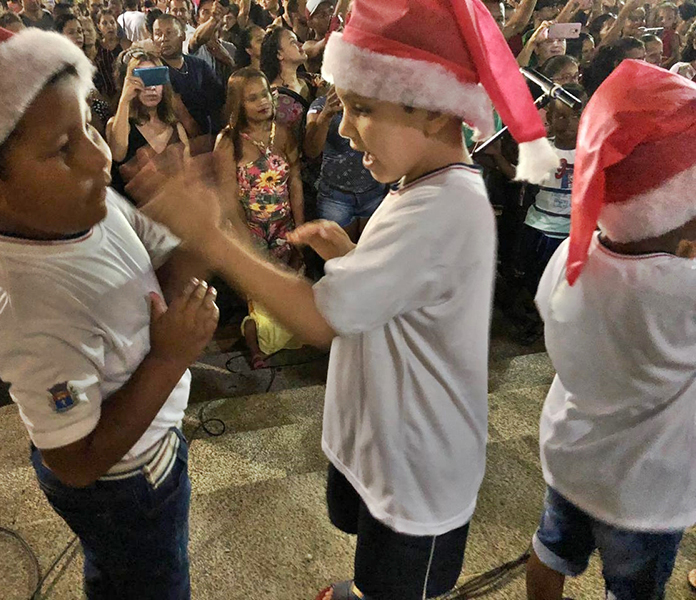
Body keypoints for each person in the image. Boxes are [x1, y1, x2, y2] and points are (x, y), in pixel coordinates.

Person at [135, 0, 557, 597]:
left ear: (435, 110)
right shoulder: (419, 180)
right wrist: (352, 260)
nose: (344, 128)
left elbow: (322, 318)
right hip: (387, 443)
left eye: (362, 109)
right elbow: (413, 299)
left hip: (418, 475)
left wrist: (214, 238)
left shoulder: (444, 206)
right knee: (374, 572)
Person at [0, 1, 219, 598]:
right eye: (62, 147)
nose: (100, 159)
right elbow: (75, 462)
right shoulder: (26, 306)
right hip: (125, 482)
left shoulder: (84, 202)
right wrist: (171, 357)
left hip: (154, 440)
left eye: (89, 131)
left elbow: (164, 265)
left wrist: (200, 232)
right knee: (146, 581)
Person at [525, 60, 696, 600]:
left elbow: (548, 312)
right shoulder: (684, 291)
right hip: (644, 489)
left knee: (550, 549)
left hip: (572, 457)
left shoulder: (571, 260)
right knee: (632, 589)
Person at [214, 68, 305, 367]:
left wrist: (299, 233)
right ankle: (256, 345)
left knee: (289, 297)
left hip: (284, 227)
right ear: (238, 104)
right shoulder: (228, 142)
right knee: (261, 299)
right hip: (249, 230)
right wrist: (249, 245)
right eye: (252, 98)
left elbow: (295, 183)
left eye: (265, 93)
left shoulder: (284, 133)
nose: (262, 102)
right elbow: (228, 201)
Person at [515, 84, 587, 342]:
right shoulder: (543, 147)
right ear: (550, 118)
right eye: (560, 116)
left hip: (571, 229)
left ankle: (564, 324)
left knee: (568, 282)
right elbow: (524, 178)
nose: (568, 123)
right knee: (537, 277)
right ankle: (538, 320)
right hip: (541, 224)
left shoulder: (590, 149)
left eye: (575, 115)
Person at [304, 86, 388, 241]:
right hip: (335, 197)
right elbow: (311, 151)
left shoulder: (377, 104)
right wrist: (326, 115)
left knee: (369, 251)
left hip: (373, 191)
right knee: (340, 258)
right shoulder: (319, 105)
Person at [107, 48, 190, 201]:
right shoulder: (118, 123)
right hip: (135, 215)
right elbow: (117, 154)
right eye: (143, 80)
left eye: (155, 78)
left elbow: (188, 175)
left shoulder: (175, 128)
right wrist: (125, 100)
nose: (151, 87)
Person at [151, 12, 225, 135]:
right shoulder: (154, 71)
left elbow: (219, 100)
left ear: (183, 36)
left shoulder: (199, 65)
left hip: (209, 132)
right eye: (158, 34)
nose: (164, 38)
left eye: (169, 33)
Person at [55, 14, 112, 136]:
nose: (78, 35)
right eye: (72, 32)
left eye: (80, 31)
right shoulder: (60, 68)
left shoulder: (85, 62)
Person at [261, 26, 313, 142]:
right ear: (279, 54)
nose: (301, 45)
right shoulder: (275, 98)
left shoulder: (312, 80)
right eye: (293, 42)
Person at [186, 0, 236, 78]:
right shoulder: (188, 39)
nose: (210, 16)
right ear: (197, 18)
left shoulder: (230, 48)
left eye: (217, 13)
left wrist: (228, 60)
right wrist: (213, 20)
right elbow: (196, 39)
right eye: (206, 12)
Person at [94, 9, 131, 106]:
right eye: (104, 23)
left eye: (112, 22)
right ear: (99, 27)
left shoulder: (125, 44)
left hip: (126, 93)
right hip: (105, 97)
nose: (109, 26)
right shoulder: (96, 49)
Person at [303, 0, 333, 73]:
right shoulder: (307, 46)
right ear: (310, 24)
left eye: (331, 11)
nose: (329, 17)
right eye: (322, 15)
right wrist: (334, 33)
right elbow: (318, 48)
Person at [654, 1, 681, 66]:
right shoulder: (656, 33)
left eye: (669, 18)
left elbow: (676, 56)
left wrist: (663, 65)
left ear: (674, 20)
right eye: (661, 18)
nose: (664, 21)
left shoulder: (673, 35)